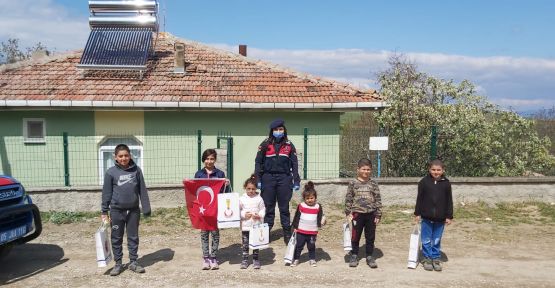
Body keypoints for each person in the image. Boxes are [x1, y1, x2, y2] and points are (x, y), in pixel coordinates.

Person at [101, 144, 151, 276]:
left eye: (126, 155)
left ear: (130, 155)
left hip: (133, 211)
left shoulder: (136, 171)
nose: (123, 158)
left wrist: (146, 207)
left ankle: (133, 262)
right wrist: (104, 211)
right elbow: (106, 193)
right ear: (115, 157)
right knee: (116, 238)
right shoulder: (111, 172)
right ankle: (118, 263)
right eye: (120, 156)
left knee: (133, 237)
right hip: (116, 211)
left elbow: (142, 190)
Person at [254, 118, 300, 244]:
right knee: (268, 207)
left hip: (284, 178)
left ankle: (286, 233)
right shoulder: (265, 144)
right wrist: (258, 179)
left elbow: (294, 164)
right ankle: (266, 233)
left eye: (280, 129)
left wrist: (296, 180)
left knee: (284, 207)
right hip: (268, 178)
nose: (278, 131)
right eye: (276, 129)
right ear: (272, 131)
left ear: (284, 131)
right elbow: (258, 162)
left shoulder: (289, 145)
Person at [414, 159, 453, 272]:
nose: (436, 172)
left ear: (443, 170)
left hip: (440, 218)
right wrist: (417, 213)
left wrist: (449, 216)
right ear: (429, 169)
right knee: (426, 239)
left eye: (438, 170)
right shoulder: (424, 182)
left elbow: (449, 201)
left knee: (436, 239)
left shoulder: (446, 183)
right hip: (426, 217)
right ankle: (427, 258)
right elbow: (419, 199)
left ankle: (435, 258)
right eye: (433, 169)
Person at [194, 148, 230, 270]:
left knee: (215, 233)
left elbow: (225, 192)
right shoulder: (198, 174)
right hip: (203, 209)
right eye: (207, 159)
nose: (209, 161)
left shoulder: (220, 174)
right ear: (203, 160)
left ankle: (213, 257)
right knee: (204, 233)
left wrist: (227, 184)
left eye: (212, 159)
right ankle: (205, 258)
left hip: (216, 208)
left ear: (215, 160)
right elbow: (195, 192)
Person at [344, 158, 382, 268]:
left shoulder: (373, 183)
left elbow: (378, 199)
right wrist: (348, 212)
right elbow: (349, 198)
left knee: (370, 236)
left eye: (368, 169)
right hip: (357, 214)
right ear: (358, 169)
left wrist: (378, 214)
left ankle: (369, 256)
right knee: (355, 236)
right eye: (363, 169)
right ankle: (354, 255)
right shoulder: (353, 183)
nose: (366, 171)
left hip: (371, 214)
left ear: (371, 170)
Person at [290, 181, 326, 267]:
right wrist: (295, 227)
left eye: (311, 198)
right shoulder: (301, 205)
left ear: (315, 198)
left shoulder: (318, 206)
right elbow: (297, 217)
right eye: (307, 198)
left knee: (311, 246)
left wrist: (321, 223)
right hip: (301, 231)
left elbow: (320, 216)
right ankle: (296, 259)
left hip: (312, 232)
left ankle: (312, 259)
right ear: (304, 198)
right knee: (299, 246)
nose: (310, 200)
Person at [239, 174, 266, 269]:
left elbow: (263, 209)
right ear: (245, 188)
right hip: (246, 225)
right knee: (245, 244)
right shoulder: (241, 199)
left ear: (256, 189)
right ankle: (245, 260)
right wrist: (243, 215)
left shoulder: (259, 198)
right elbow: (238, 210)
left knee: (256, 243)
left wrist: (260, 215)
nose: (251, 191)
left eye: (253, 189)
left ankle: (256, 260)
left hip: (256, 225)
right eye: (249, 189)